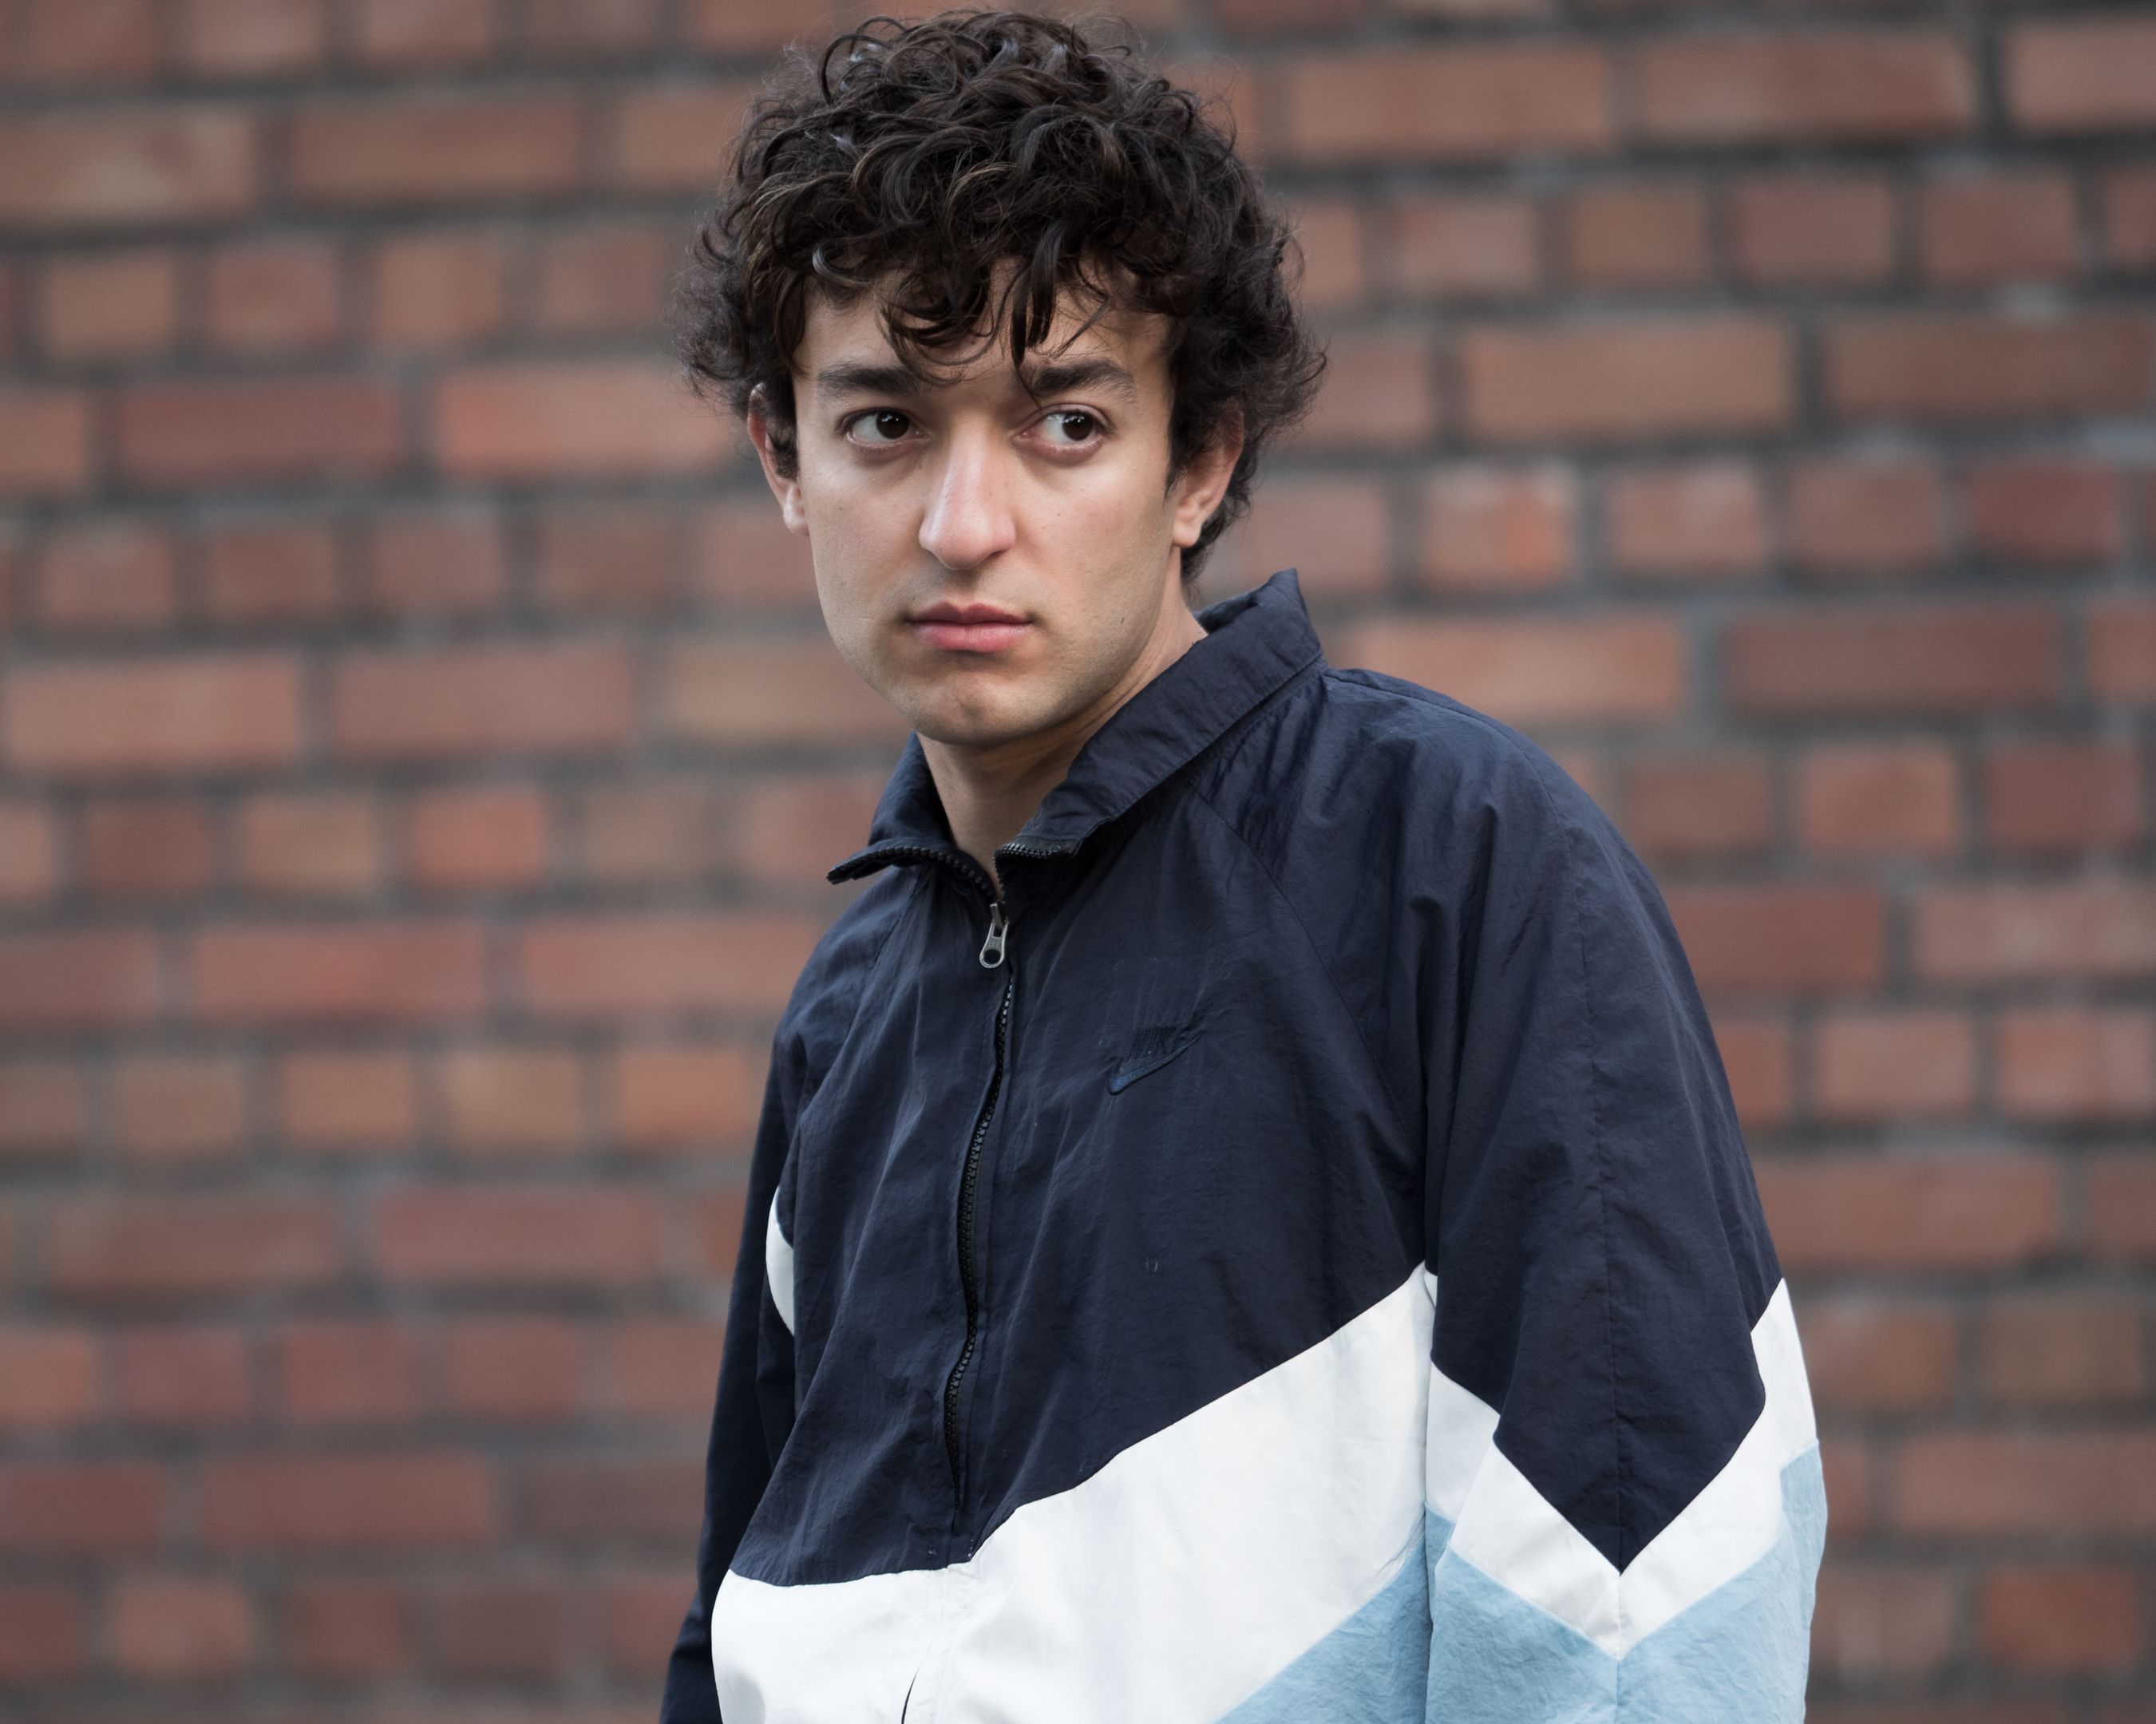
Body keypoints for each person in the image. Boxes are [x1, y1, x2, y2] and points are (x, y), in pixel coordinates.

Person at [661, 11, 1823, 1720]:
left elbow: (1643, 1592)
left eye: (1063, 424)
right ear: (784, 457)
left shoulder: (1452, 867)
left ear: (1196, 462)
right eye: (886, 423)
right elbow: (742, 1628)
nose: (961, 525)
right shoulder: (851, 1015)